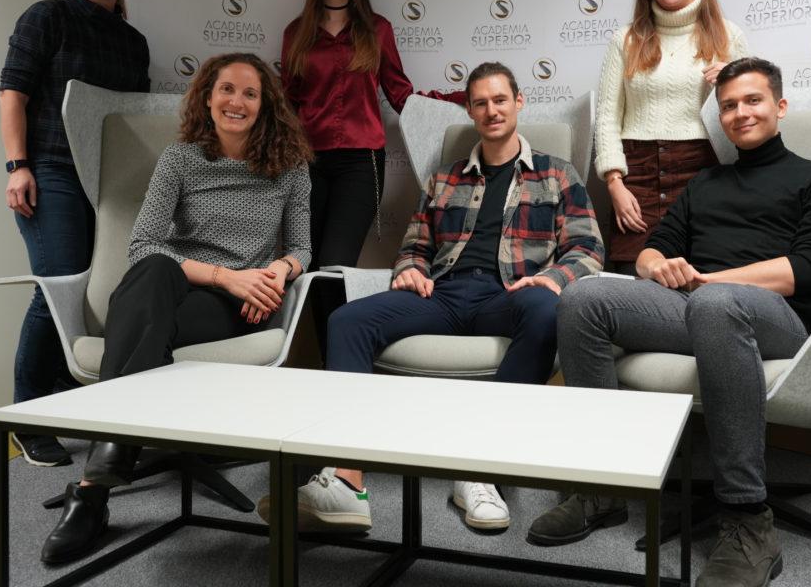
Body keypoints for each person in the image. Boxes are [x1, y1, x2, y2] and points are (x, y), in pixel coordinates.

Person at [529, 58, 811, 587]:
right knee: (584, 299)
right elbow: (653, 249)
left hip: (779, 321)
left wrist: (710, 281)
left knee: (716, 303)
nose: (740, 113)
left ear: (780, 106)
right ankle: (600, 488)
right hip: (701, 307)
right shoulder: (706, 182)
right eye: (729, 105)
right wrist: (657, 266)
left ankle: (748, 520)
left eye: (753, 101)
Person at [258, 61, 604, 533]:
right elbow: (414, 246)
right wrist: (411, 270)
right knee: (347, 320)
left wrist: (554, 278)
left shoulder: (557, 173)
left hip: (510, 295)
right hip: (443, 293)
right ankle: (345, 479)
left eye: (500, 100)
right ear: (470, 111)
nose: (491, 111)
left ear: (519, 102)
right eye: (480, 103)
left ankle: (479, 470)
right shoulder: (444, 178)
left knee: (547, 310)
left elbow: (587, 248)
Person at [38, 52, 313, 565]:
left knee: (141, 320)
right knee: (154, 269)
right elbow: (143, 244)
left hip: (228, 309)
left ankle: (93, 489)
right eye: (226, 89)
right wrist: (226, 274)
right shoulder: (180, 159)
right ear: (207, 97)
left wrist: (279, 270)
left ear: (265, 104)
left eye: (250, 93)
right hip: (170, 288)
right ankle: (112, 460)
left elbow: (301, 247)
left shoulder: (290, 167)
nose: (237, 101)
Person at [0, 0, 150, 467]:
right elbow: (12, 93)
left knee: (98, 295)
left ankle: (69, 402)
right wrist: (18, 166)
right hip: (52, 171)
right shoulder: (47, 17)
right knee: (58, 289)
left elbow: (133, 120)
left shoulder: (133, 43)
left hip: (110, 184)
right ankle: (26, 417)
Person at [280, 0, 465, 354]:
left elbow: (401, 95)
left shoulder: (376, 30)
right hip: (306, 164)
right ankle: (323, 360)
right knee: (305, 265)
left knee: (334, 265)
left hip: (360, 165)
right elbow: (288, 103)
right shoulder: (296, 32)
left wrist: (461, 99)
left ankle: (339, 359)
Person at [595, 0, 748, 274]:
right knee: (631, 286)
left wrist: (729, 86)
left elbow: (748, 122)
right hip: (637, 178)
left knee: (703, 281)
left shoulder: (730, 36)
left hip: (706, 173)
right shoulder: (625, 40)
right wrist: (615, 184)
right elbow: (607, 118)